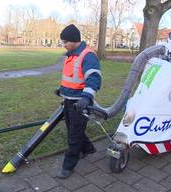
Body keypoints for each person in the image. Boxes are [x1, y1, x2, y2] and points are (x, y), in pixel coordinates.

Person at [56, 24, 101, 179]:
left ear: (74, 40)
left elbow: (94, 78)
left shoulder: (87, 56)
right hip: (68, 100)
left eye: (65, 42)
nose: (64, 45)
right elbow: (72, 78)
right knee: (73, 129)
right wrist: (61, 90)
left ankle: (68, 166)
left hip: (80, 103)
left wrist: (86, 97)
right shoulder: (71, 55)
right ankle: (88, 148)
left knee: (74, 135)